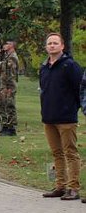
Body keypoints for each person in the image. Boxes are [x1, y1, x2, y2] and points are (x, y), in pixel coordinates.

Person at [38, 33, 82, 201]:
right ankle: (60, 185)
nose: (52, 46)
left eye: (55, 43)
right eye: (49, 43)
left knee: (70, 152)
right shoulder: (44, 68)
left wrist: (72, 108)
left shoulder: (70, 66)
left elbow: (80, 89)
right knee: (57, 153)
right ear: (46, 47)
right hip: (49, 117)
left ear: (62, 46)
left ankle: (73, 187)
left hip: (66, 118)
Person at [0, 39, 20, 135]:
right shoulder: (7, 57)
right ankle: (6, 126)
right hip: (4, 86)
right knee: (4, 106)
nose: (4, 45)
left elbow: (11, 74)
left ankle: (11, 128)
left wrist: (9, 87)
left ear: (12, 45)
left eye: (6, 43)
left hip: (9, 86)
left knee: (10, 106)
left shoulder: (12, 58)